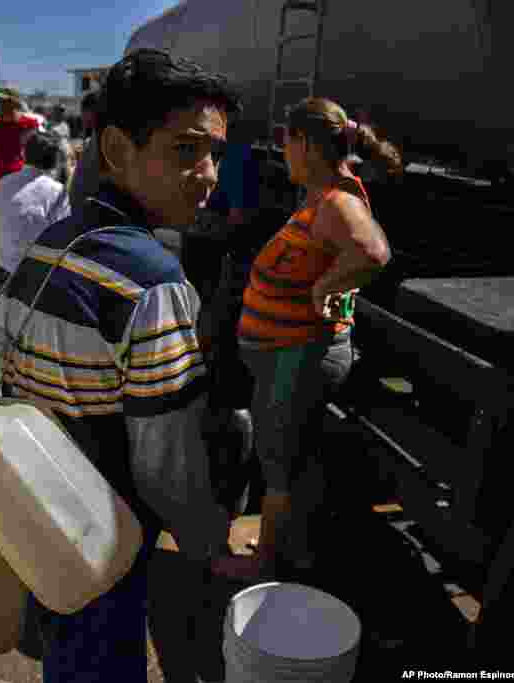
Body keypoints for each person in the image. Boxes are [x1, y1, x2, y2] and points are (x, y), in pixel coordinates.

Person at [0, 48, 241, 681]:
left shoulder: (55, 242)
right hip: (104, 533)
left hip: (37, 506)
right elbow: (166, 460)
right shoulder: (152, 283)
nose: (208, 174)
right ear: (115, 149)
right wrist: (205, 543)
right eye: (186, 150)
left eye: (216, 154)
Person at [222, 96, 397, 581]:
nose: (283, 153)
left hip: (299, 354)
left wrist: (326, 288)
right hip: (289, 353)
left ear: (306, 144)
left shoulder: (336, 202)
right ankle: (290, 549)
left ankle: (266, 561)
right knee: (291, 458)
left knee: (279, 462)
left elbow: (374, 253)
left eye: (287, 143)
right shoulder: (323, 198)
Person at [0, 131, 71, 290]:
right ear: (55, 159)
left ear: (24, 154)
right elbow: (62, 238)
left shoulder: (3, 182)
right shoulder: (57, 192)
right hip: (32, 278)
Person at [0, 86, 39, 184]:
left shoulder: (29, 124)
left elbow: (33, 152)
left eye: (2, 102)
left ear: (14, 103)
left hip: (21, 175)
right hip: (0, 175)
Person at [68, 89, 102, 208]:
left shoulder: (100, 140)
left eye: (83, 111)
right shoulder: (92, 139)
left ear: (90, 112)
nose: (81, 116)